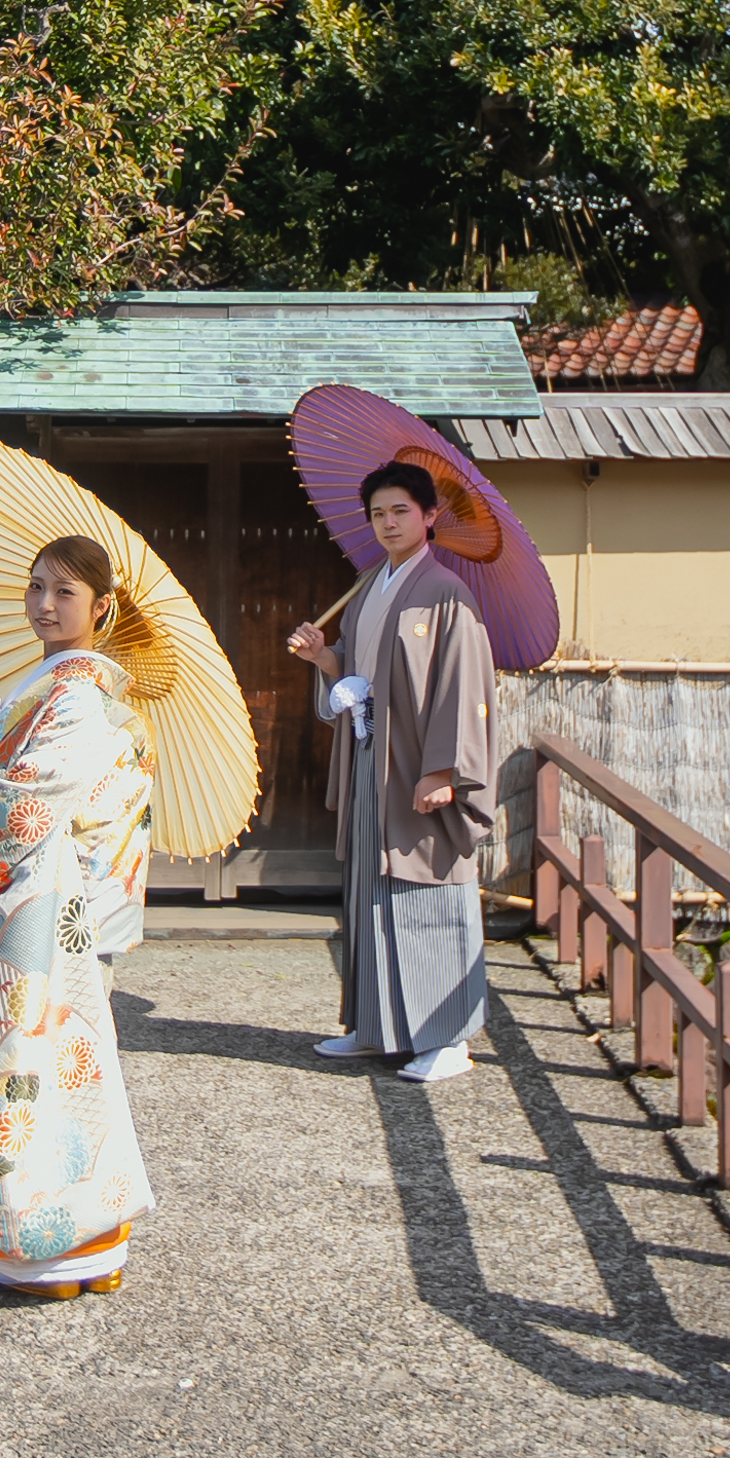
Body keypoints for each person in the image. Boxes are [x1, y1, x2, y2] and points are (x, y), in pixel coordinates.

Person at [0, 535, 157, 1297]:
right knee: (65, 1069)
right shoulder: (64, 684)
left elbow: (30, 799)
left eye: (65, 593)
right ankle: (89, 1244)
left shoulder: (76, 692)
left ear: (101, 607)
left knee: (22, 1069)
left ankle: (38, 1249)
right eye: (37, 587)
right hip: (51, 904)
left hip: (39, 911)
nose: (45, 604)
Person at [287, 461, 496, 1083]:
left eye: (400, 511)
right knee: (371, 894)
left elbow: (463, 688)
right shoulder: (369, 588)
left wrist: (445, 772)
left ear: (429, 516)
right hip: (371, 762)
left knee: (426, 887)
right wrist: (326, 658)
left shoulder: (447, 594)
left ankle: (448, 1037)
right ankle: (376, 1027)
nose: (388, 523)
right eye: (377, 513)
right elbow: (359, 675)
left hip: (418, 769)